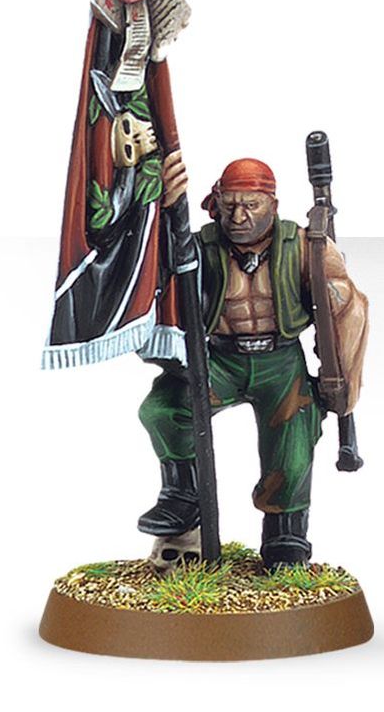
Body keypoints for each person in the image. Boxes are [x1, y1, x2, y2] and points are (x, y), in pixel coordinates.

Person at [137, 153, 368, 567]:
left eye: (251, 205)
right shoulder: (200, 246)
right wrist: (165, 207)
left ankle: (285, 536)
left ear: (273, 206)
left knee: (292, 448)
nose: (239, 216)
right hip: (219, 361)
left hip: (280, 364)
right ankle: (182, 494)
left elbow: (349, 310)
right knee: (165, 409)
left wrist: (343, 381)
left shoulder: (305, 246)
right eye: (229, 205)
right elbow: (156, 269)